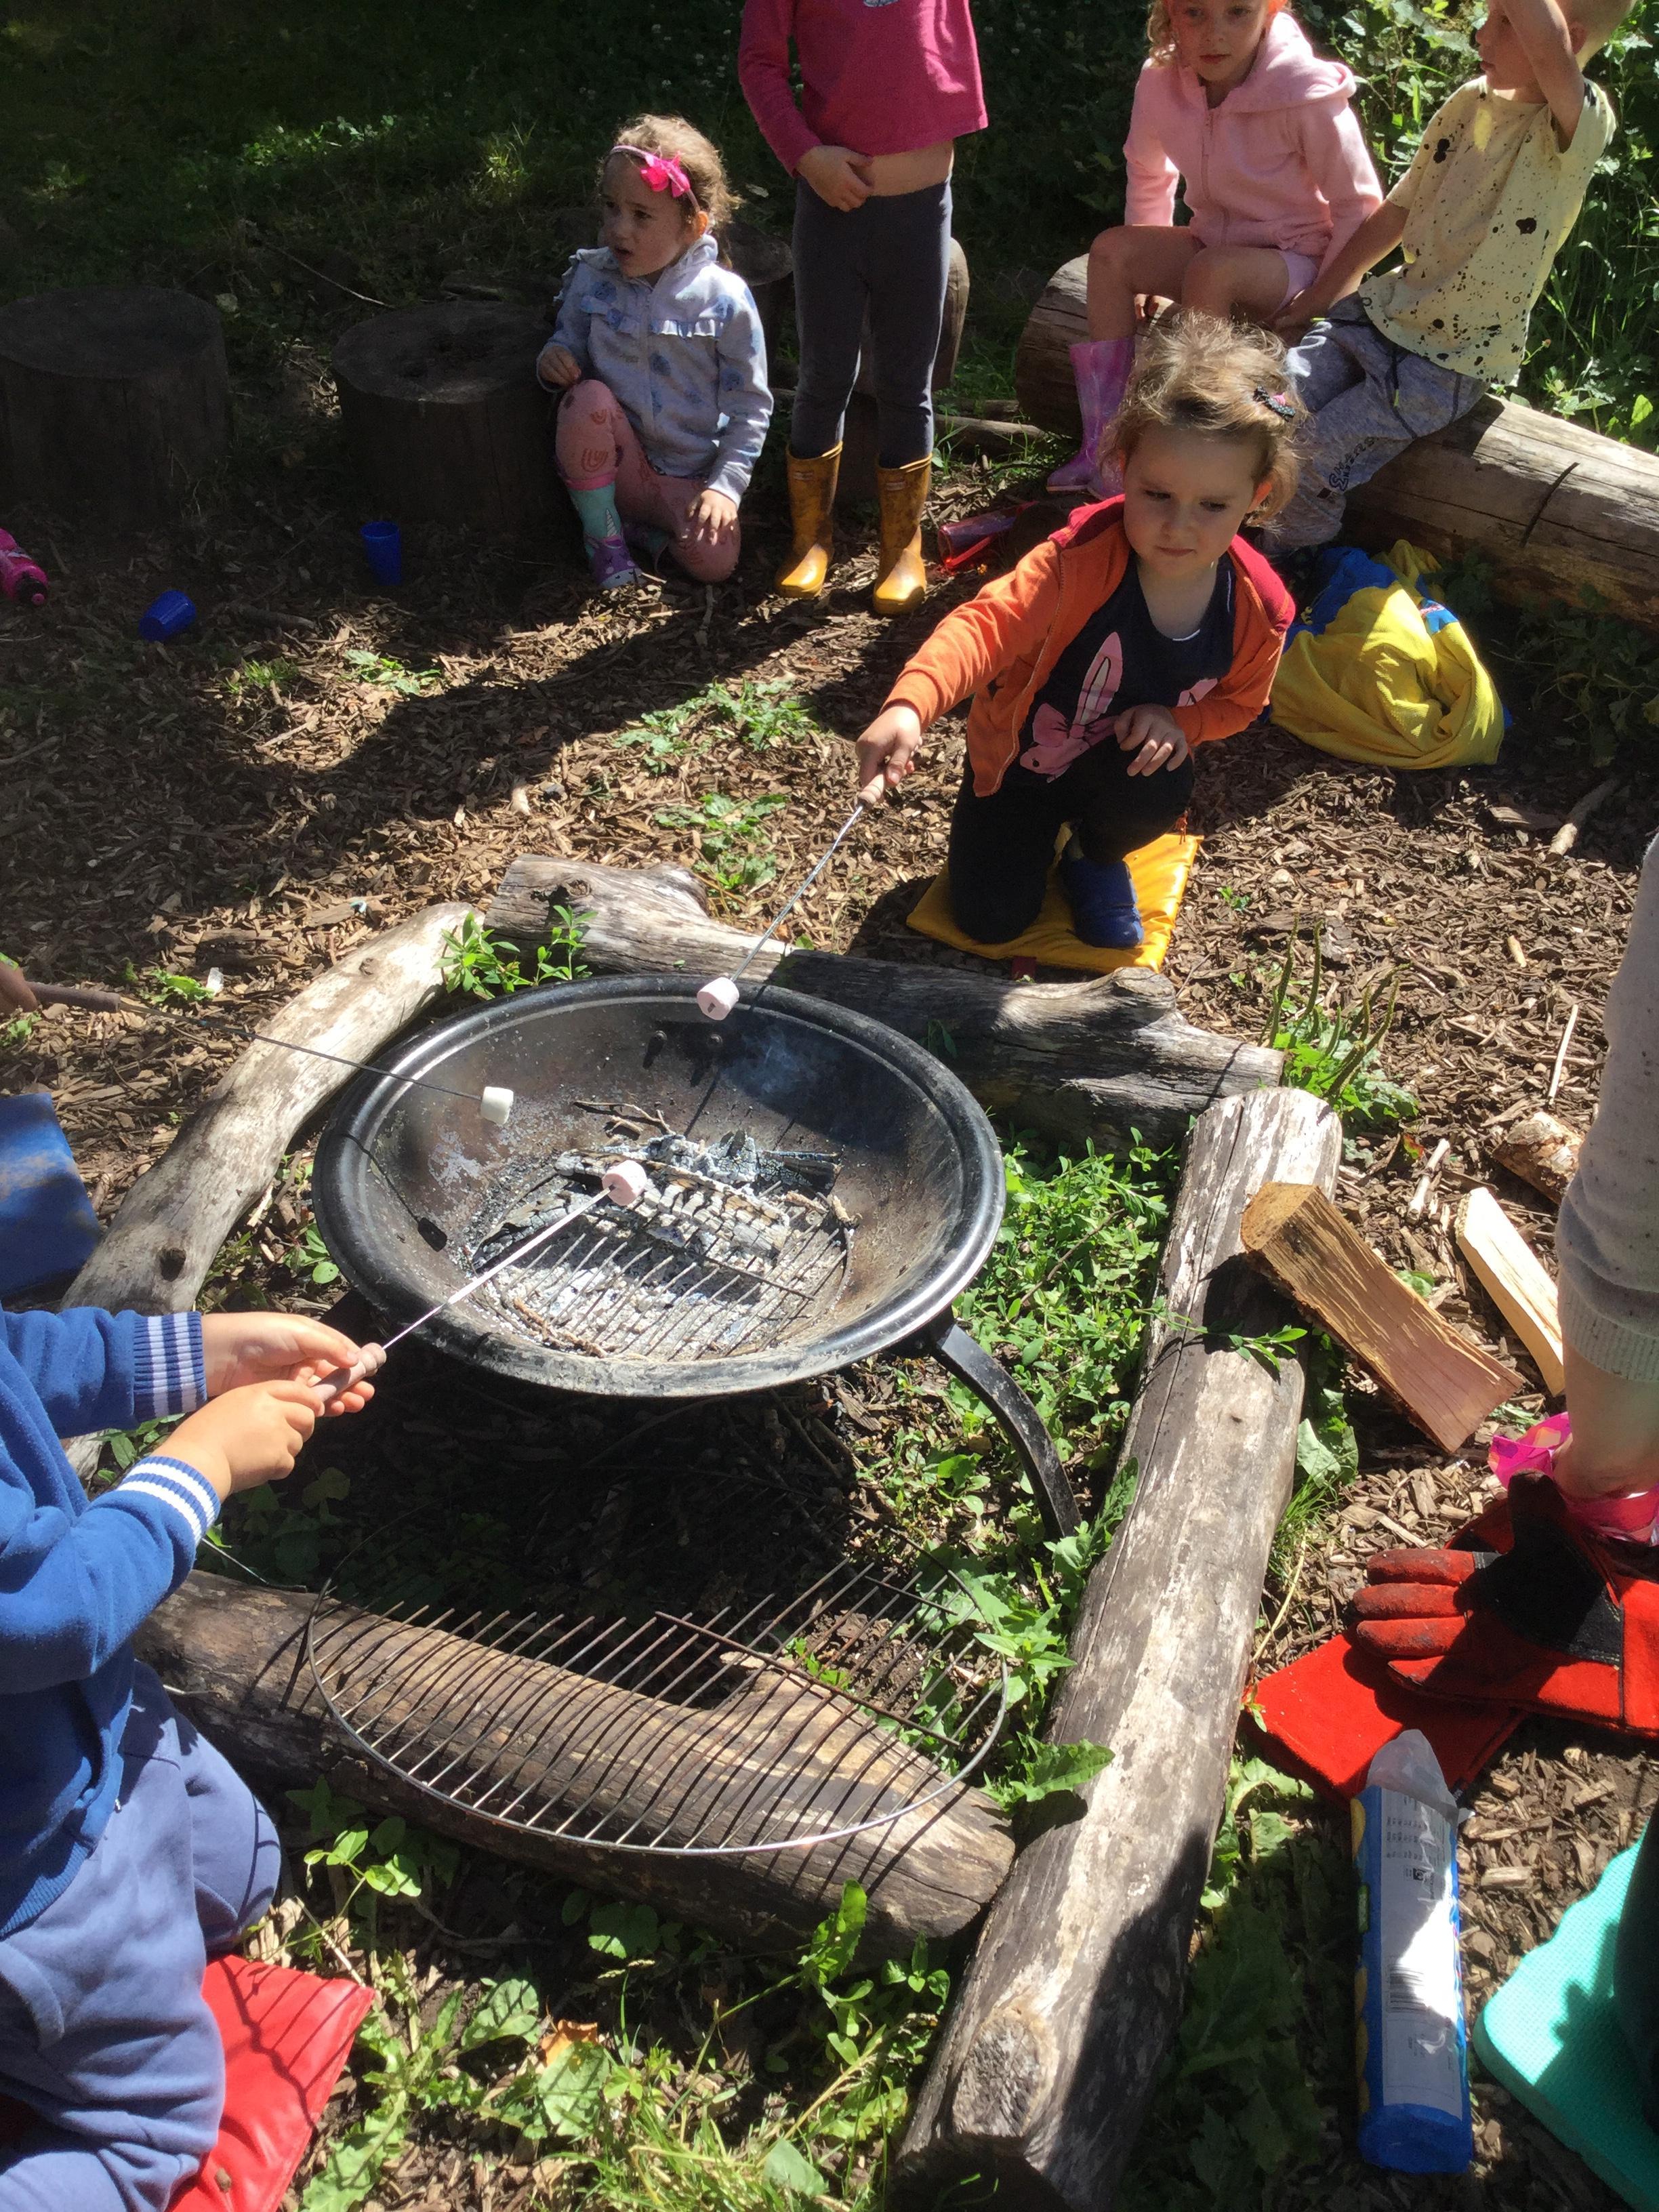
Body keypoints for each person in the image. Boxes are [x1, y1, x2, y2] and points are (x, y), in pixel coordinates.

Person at [0, 1301, 375, 2209]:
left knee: (243, 1869)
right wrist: (201, 1461)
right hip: (31, 1868)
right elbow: (45, 1607)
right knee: (156, 2129)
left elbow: (15, 1357)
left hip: (81, 1731)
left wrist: (200, 1355)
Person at [853, 313, 1298, 950]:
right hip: (1020, 770)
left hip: (1121, 774)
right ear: (1124, 468)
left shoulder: (1260, 608)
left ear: (1256, 496)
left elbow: (1242, 703)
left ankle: (1094, 852)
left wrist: (1181, 722)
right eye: (1157, 495)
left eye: (1212, 505)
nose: (1178, 526)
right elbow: (985, 627)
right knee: (989, 919)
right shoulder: (1074, 562)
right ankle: (1025, 837)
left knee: (1161, 781)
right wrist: (910, 704)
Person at [1265, 0, 1629, 551]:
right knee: (1268, 404)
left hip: (1445, 363)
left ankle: (1285, 565)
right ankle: (1214, 532)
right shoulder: (1468, 102)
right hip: (1382, 317)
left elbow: (1549, 46)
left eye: (1504, 22)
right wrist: (1321, 296)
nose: (1481, 34)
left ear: (1569, 40)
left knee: (1314, 455)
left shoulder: (1579, 125)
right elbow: (1399, 209)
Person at [1048, 0, 1380, 501]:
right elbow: (1149, 171)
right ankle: (1109, 447)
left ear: (1271, 9)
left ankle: (1196, 454)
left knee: (1212, 271)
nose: (1214, 33)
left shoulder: (1302, 89)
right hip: (1213, 245)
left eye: (1237, 12)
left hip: (1298, 262)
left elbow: (1360, 206)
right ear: (1171, 12)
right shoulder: (1161, 80)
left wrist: (1322, 305)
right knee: (1112, 251)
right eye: (1195, 13)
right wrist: (1151, 273)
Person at [738, 0, 986, 614]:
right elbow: (759, 61)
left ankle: (901, 546)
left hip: (922, 211)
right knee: (825, 374)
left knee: (907, 381)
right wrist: (805, 154)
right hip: (832, 209)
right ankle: (809, 538)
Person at [537, 117, 772, 592]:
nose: (619, 230)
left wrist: (724, 488)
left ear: (693, 226)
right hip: (615, 463)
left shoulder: (723, 300)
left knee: (715, 563)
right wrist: (555, 357)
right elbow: (569, 340)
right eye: (611, 208)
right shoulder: (593, 277)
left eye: (641, 215)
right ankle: (604, 538)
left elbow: (750, 406)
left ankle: (639, 534)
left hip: (690, 477)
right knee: (586, 399)